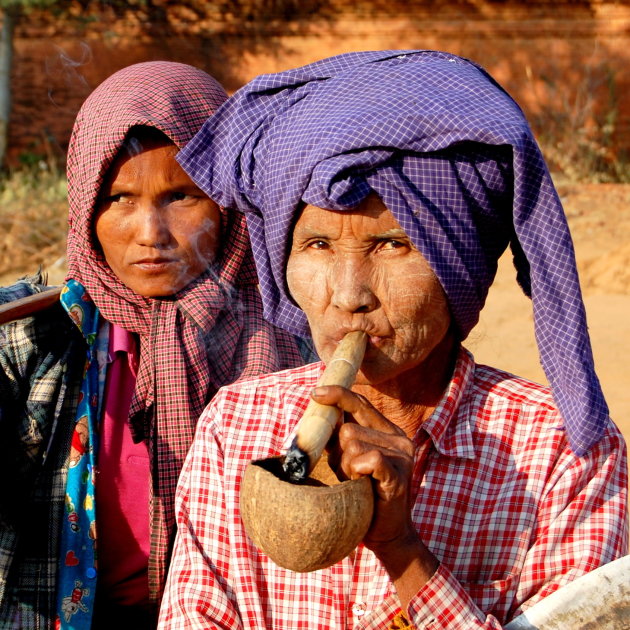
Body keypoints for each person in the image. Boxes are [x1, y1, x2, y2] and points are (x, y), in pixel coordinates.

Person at [159, 51, 629, 629]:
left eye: (392, 245)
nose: (350, 294)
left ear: (463, 267)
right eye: (317, 246)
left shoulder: (561, 454)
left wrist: (403, 548)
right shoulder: (235, 427)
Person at [0, 61, 308, 630]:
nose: (150, 234)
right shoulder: (29, 337)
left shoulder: (294, 338)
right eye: (119, 199)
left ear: (230, 202)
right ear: (86, 209)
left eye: (182, 195)